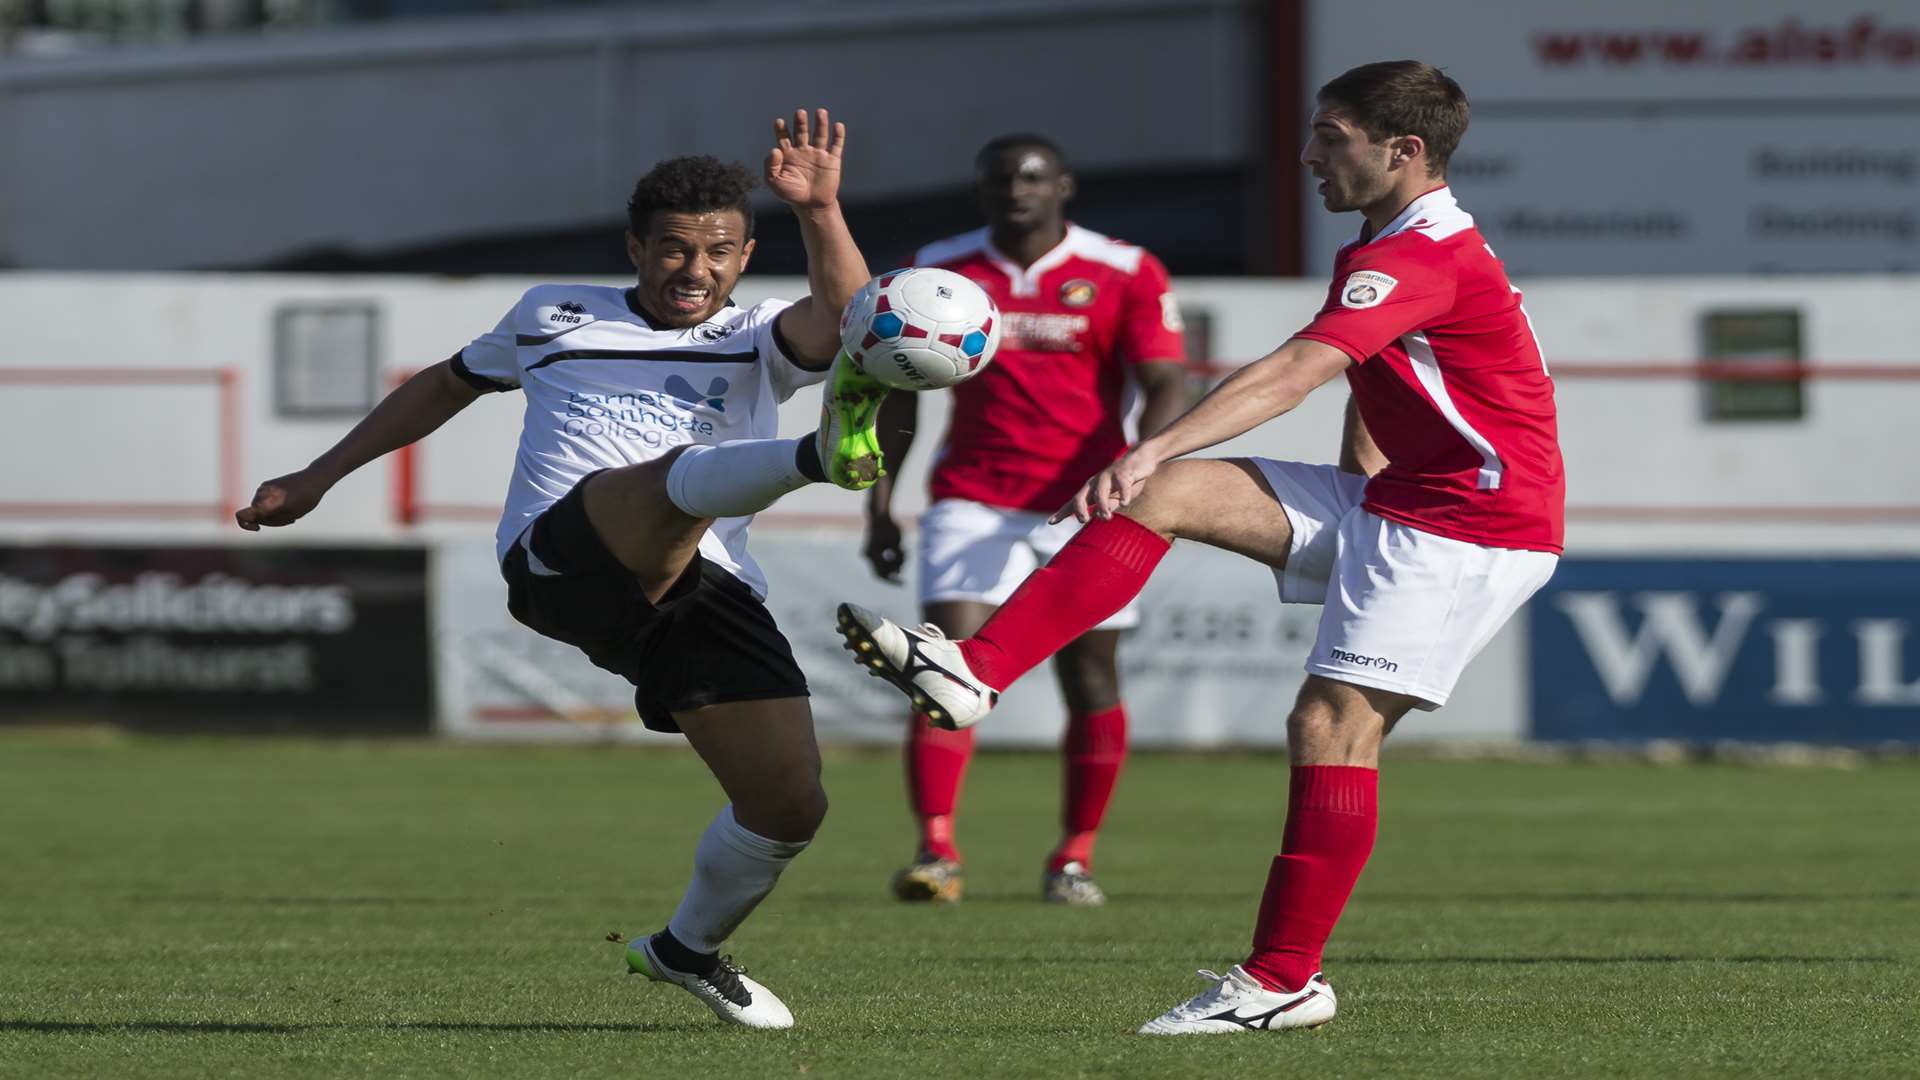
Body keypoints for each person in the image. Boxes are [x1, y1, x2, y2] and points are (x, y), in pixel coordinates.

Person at [836, 61, 1563, 1034]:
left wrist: (1155, 442)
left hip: (1469, 521)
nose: (1308, 155)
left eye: (1330, 137)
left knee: (1331, 726)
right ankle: (974, 672)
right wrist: (1319, 478)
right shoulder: (1383, 244)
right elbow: (1380, 384)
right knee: (1171, 495)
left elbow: (1302, 369)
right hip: (1401, 498)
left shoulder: (1423, 255)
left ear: (1405, 153)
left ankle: (1280, 981)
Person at [236, 109, 894, 1031]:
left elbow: (851, 323)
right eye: (671, 250)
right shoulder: (554, 312)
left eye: (717, 252)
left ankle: (684, 950)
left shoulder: (755, 335)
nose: (693, 271)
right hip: (562, 557)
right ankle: (818, 459)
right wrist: (317, 475)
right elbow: (441, 385)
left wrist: (821, 209)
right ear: (635, 247)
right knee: (668, 482)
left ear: (745, 257)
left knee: (788, 806)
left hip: (696, 590)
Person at [861, 134, 1190, 906]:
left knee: (1089, 675)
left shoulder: (1123, 269)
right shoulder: (941, 269)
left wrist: (1143, 464)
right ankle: (936, 851)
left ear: (1064, 186)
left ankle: (1073, 857)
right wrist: (881, 505)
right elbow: (899, 391)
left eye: (1033, 177)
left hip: (1090, 502)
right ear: (981, 191)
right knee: (940, 667)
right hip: (971, 500)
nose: (1017, 189)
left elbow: (1165, 379)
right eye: (1001, 179)